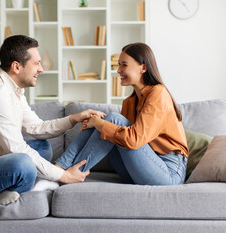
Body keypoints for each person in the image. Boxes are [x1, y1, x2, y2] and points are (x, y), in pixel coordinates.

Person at [0, 35, 104, 205]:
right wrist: (65, 176)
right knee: (23, 163)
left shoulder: (13, 90)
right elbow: (17, 148)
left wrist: (74, 118)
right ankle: (12, 188)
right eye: (36, 63)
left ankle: (8, 189)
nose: (41, 69)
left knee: (43, 146)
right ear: (16, 66)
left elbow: (37, 128)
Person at [55, 42, 189, 186]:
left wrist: (99, 123)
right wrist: (97, 123)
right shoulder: (129, 102)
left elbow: (134, 140)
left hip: (168, 172)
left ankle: (68, 175)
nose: (118, 70)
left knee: (111, 120)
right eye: (119, 65)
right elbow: (120, 138)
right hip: (137, 168)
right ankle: (59, 170)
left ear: (143, 67)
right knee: (105, 124)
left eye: (124, 65)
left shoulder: (158, 93)